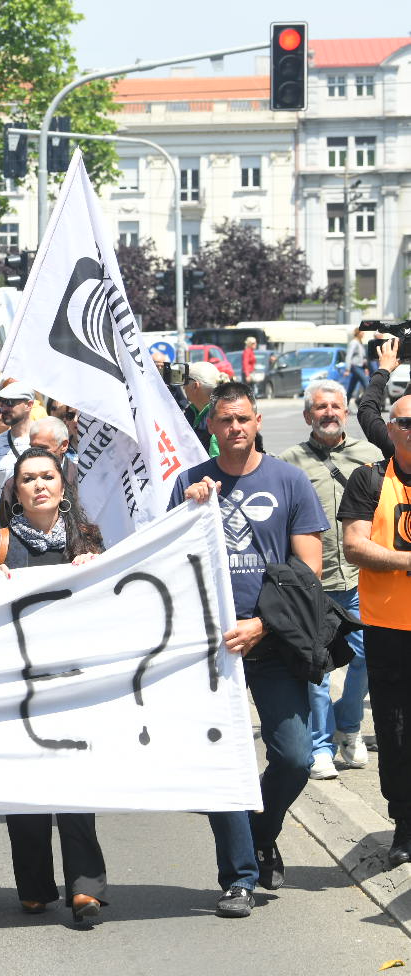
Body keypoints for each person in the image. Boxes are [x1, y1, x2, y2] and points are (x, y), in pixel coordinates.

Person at [168, 381, 327, 918]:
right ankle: (238, 877)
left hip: (271, 644)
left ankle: (262, 831)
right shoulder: (190, 484)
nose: (235, 428)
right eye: (224, 420)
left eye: (243, 419)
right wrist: (187, 515)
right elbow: (170, 566)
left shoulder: (289, 480)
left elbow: (308, 573)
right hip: (210, 651)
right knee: (225, 764)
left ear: (257, 420)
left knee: (296, 757)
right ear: (211, 427)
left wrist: (262, 623)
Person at [0, 448, 108, 923]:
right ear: (16, 491)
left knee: (76, 789)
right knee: (23, 786)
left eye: (48, 476)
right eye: (29, 479)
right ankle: (34, 885)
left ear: (62, 488)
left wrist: (98, 570)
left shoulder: (88, 539)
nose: (40, 485)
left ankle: (85, 887)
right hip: (15, 684)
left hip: (73, 682)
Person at [277, 379, 376, 780]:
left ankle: (347, 726)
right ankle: (320, 746)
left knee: (368, 656)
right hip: (312, 582)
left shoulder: (369, 455)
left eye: (335, 407)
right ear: (308, 416)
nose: (329, 413)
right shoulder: (288, 460)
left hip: (359, 579)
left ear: (346, 412)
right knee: (317, 668)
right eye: (320, 408)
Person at [339, 388, 411, 866]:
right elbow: (355, 547)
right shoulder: (369, 480)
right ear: (390, 429)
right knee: (395, 728)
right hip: (390, 629)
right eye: (407, 422)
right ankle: (404, 823)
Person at [0, 383, 36, 511]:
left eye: (10, 403)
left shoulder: (44, 438)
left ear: (29, 405)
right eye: (1, 403)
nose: (4, 409)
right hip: (5, 520)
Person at [181, 361, 222, 454]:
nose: (183, 387)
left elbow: (218, 465)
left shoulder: (219, 420)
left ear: (195, 386)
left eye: (186, 381)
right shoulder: (191, 412)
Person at [345, 328, 370, 402]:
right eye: (362, 332)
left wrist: (366, 368)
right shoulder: (354, 342)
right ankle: (365, 403)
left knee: (351, 387)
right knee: (367, 384)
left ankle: (346, 404)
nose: (363, 334)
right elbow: (349, 355)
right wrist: (347, 369)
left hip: (360, 366)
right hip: (355, 366)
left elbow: (363, 357)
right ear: (358, 333)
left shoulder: (360, 343)